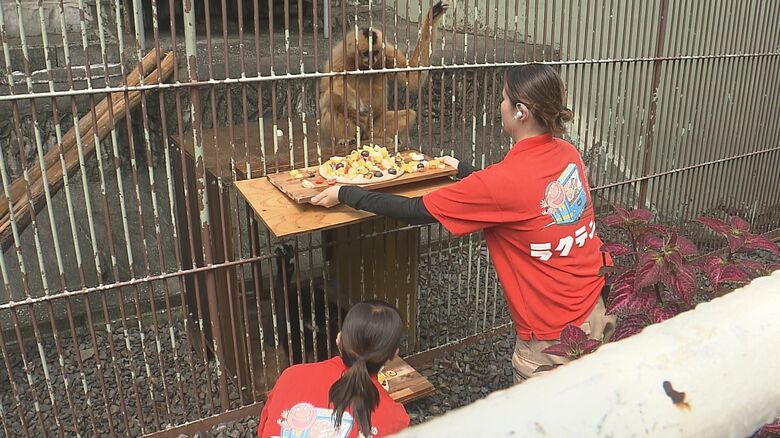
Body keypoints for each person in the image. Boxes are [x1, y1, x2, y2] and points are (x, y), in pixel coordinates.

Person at [311, 63, 615, 383]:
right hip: (594, 307)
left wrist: (346, 192)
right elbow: (524, 197)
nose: (500, 105)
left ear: (521, 112)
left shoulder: (503, 182)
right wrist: (464, 169)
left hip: (552, 337)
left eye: (504, 99)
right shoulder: (568, 154)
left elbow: (416, 210)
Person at [258, 300, 409, 438]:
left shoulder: (291, 376)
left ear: (339, 338)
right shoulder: (395, 419)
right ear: (394, 353)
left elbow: (264, 429)